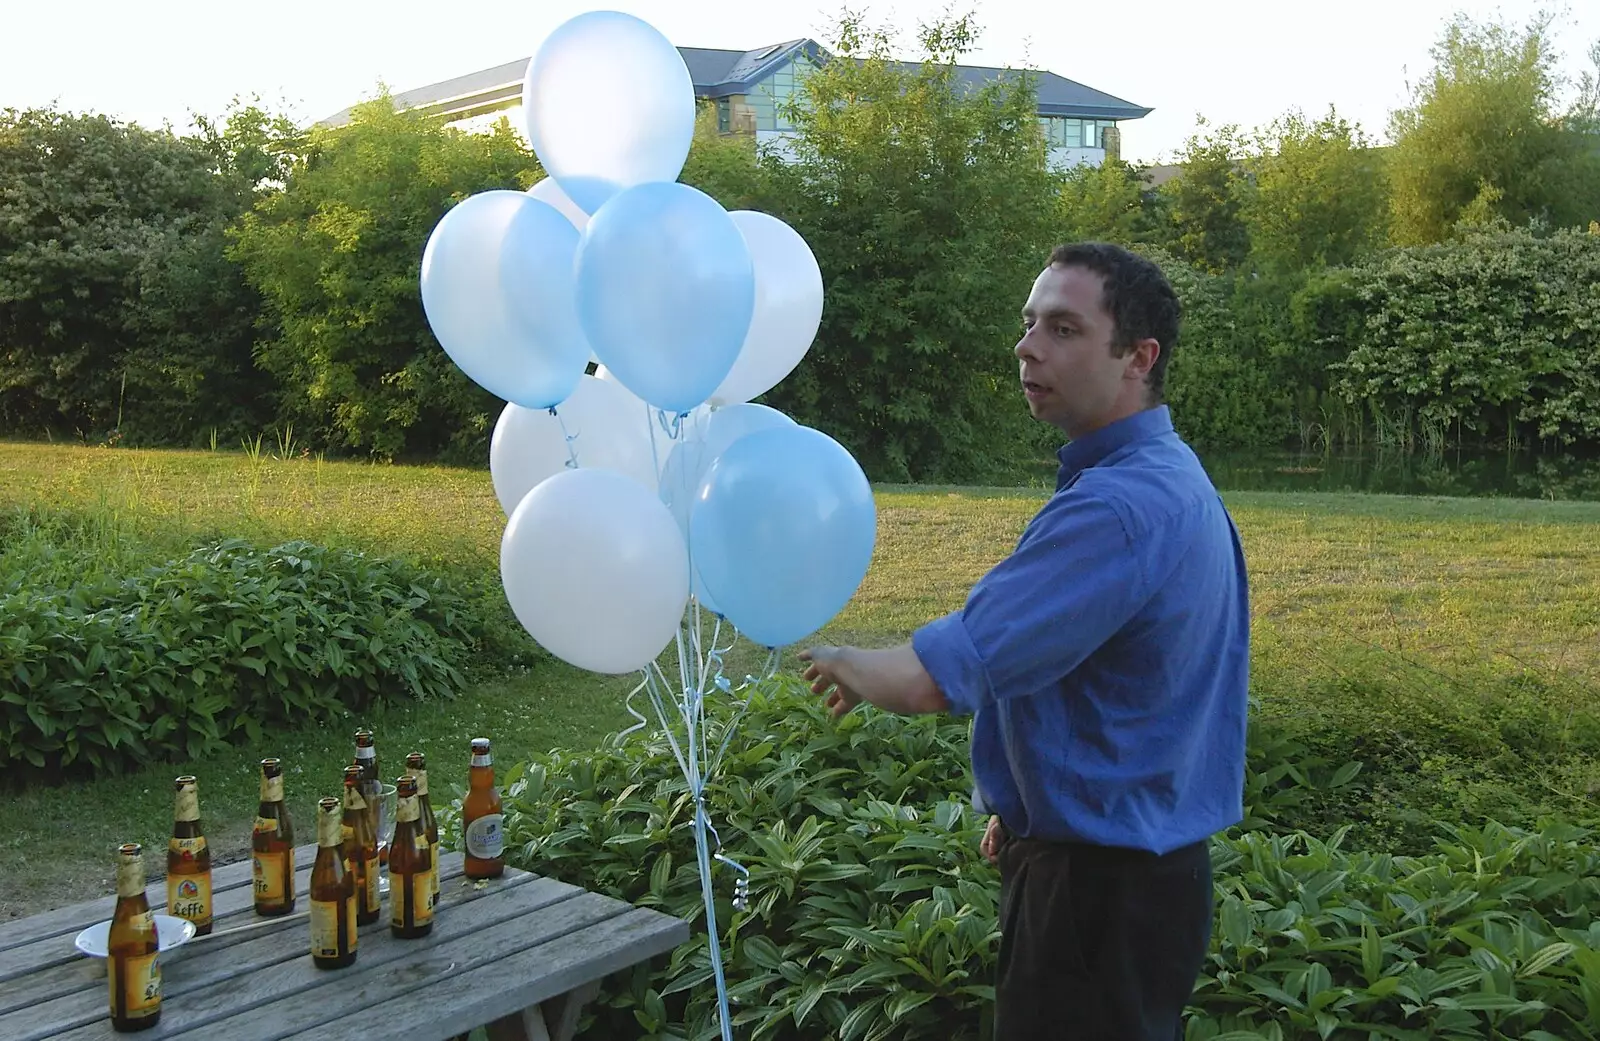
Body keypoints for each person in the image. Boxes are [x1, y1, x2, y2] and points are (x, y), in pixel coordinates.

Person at [799, 242, 1250, 1041]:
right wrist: (1023, 800)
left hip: (1095, 900)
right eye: (1029, 322)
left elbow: (933, 679)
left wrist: (840, 657)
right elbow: (1121, 688)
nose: (1028, 345)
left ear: (1138, 358)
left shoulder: (1114, 509)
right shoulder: (1173, 476)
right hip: (1140, 882)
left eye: (1064, 328)